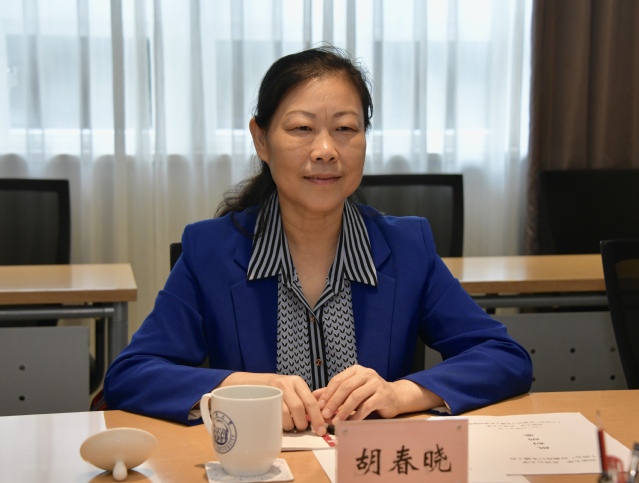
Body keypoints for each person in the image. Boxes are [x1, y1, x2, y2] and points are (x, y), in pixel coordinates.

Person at [104, 46, 532, 434]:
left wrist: (400, 394)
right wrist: (240, 389)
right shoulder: (210, 252)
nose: (326, 149)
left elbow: (503, 356)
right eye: (302, 128)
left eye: (345, 128)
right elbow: (129, 376)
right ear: (261, 140)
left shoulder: (407, 247)